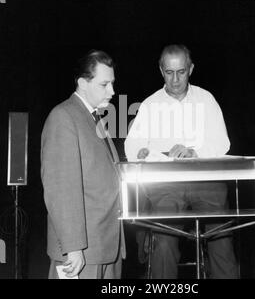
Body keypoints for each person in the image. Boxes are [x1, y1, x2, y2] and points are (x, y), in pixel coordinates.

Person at [124, 44, 238, 279]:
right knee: (163, 244)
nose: (175, 79)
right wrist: (142, 152)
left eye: (181, 72)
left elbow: (222, 142)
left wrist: (196, 152)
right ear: (160, 70)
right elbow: (131, 146)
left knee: (222, 243)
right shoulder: (149, 105)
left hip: (206, 183)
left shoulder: (206, 100)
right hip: (166, 188)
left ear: (191, 69)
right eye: (169, 72)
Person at [41, 50, 125, 279]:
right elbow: (61, 189)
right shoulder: (64, 117)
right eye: (104, 84)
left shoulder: (94, 118)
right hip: (82, 252)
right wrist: (73, 246)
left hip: (105, 245)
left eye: (112, 83)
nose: (112, 91)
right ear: (82, 83)